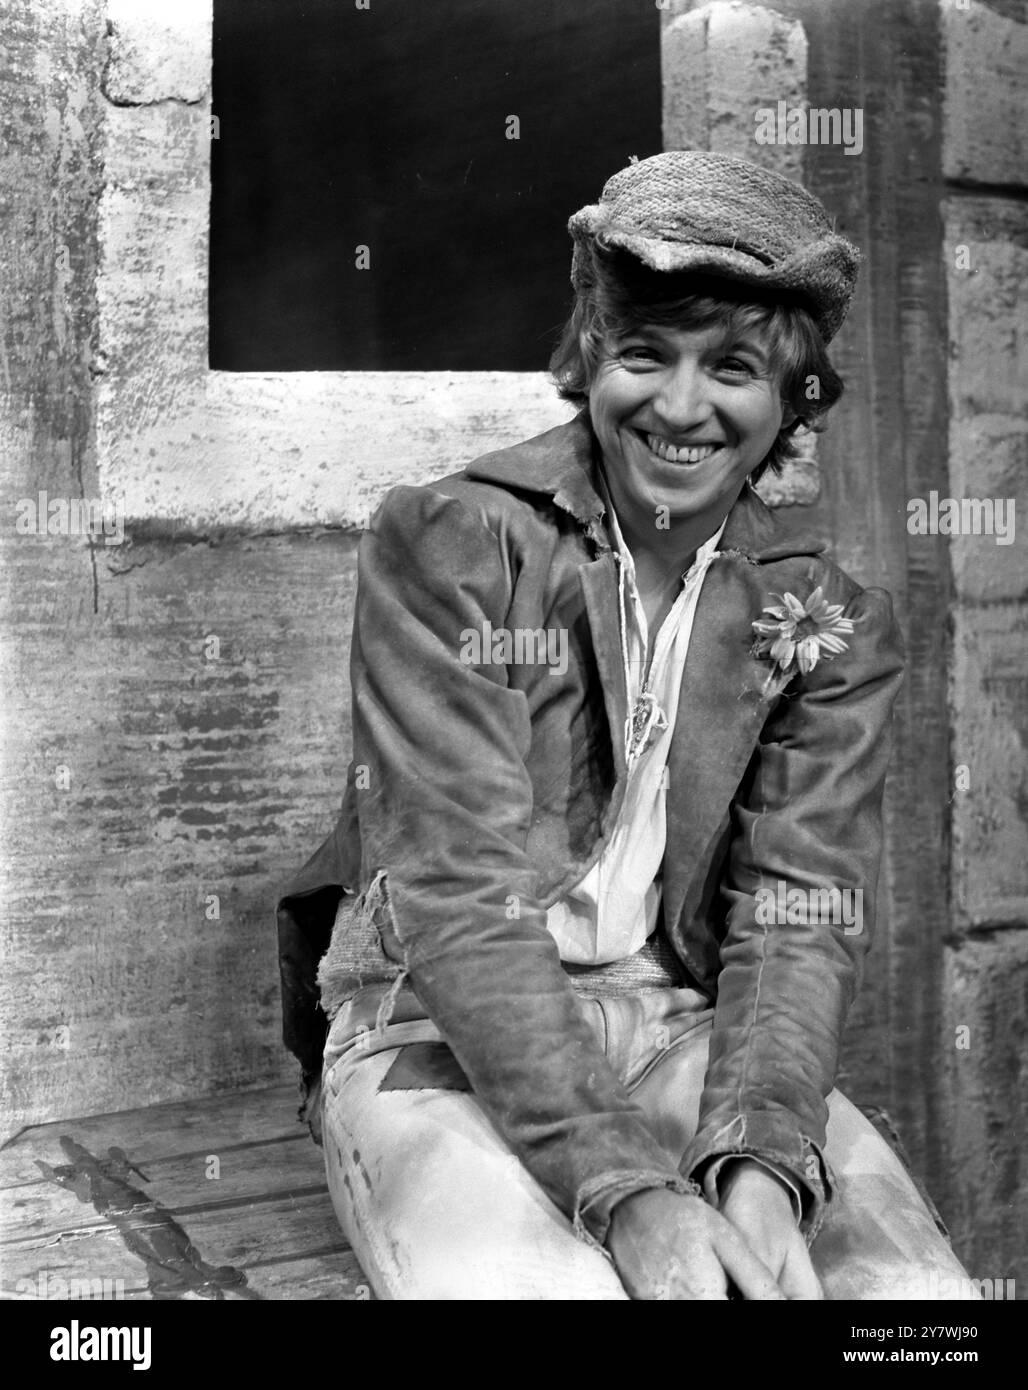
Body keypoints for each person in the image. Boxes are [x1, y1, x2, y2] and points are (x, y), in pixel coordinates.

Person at [277, 151, 977, 1300]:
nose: (680, 406)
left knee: (915, 1309)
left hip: (678, 1021)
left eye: (733, 366)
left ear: (790, 391)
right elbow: (457, 895)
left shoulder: (831, 618)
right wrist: (632, 1192)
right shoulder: (445, 542)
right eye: (643, 352)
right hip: (439, 1035)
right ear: (587, 359)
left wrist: (757, 1151)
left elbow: (794, 909)